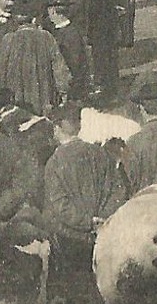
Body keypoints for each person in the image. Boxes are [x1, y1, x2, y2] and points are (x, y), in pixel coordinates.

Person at [36, 105, 131, 249]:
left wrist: (88, 222)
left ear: (56, 128)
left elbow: (59, 205)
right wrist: (103, 220)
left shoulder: (54, 162)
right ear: (79, 126)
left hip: (68, 239)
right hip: (102, 235)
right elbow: (118, 190)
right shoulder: (101, 154)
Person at [0, 1, 70, 113]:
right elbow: (59, 69)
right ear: (34, 19)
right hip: (43, 98)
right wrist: (63, 92)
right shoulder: (46, 37)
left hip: (15, 99)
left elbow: (0, 74)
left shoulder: (8, 39)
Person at [44, 0, 91, 102]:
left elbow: (75, 64)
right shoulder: (63, 30)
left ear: (54, 12)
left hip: (72, 89)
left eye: (50, 13)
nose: (49, 17)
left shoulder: (70, 34)